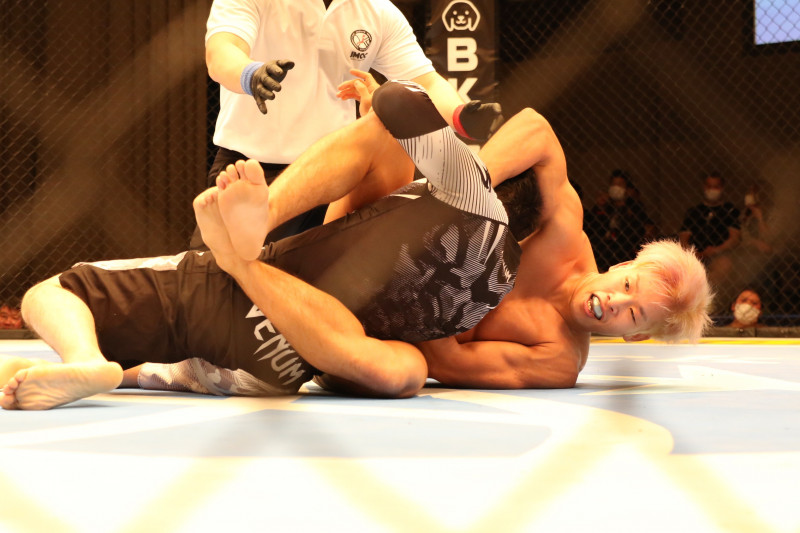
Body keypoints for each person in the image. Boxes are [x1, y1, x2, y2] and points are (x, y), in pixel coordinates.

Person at [1, 82, 712, 410]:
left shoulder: (557, 358)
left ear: (636, 337)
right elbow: (536, 130)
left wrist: (442, 278)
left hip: (376, 325)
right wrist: (457, 196)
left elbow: (446, 363)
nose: (614, 303)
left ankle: (249, 250)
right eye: (627, 286)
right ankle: (268, 223)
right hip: (370, 263)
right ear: (625, 263)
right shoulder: (566, 231)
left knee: (405, 369)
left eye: (632, 316)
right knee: (378, 135)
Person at [194, 0, 502, 246]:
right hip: (244, 171)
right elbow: (221, 51)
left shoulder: (376, 10)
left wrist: (460, 116)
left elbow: (425, 83)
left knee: (327, 292)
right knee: (216, 288)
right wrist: (249, 74)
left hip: (330, 180)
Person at [678, 172, 740, 311]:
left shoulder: (729, 210)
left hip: (720, 254)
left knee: (724, 264)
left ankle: (708, 302)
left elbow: (735, 238)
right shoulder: (693, 212)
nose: (712, 190)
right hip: (695, 255)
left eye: (716, 186)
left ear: (722, 188)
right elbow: (683, 239)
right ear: (704, 187)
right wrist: (694, 253)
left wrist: (715, 251)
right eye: (709, 186)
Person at [585, 169, 654, 272]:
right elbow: (593, 227)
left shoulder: (634, 207)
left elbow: (643, 228)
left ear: (627, 188)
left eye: (620, 184)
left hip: (626, 251)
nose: (616, 187)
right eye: (614, 184)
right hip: (604, 252)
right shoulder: (606, 205)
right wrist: (601, 206)